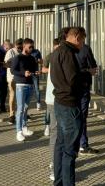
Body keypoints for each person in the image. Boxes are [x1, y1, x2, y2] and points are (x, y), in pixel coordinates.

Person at [52, 27, 87, 186]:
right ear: (77, 37)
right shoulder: (68, 53)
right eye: (83, 40)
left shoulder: (58, 50)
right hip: (69, 105)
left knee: (60, 146)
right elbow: (72, 80)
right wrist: (85, 76)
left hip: (60, 102)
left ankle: (59, 182)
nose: (83, 44)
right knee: (69, 151)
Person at [11, 38, 40, 142]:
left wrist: (36, 72)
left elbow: (34, 69)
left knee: (26, 107)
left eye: (32, 46)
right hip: (20, 85)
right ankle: (18, 131)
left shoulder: (32, 58)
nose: (32, 48)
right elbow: (12, 70)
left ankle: (24, 127)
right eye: (30, 47)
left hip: (30, 85)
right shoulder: (18, 58)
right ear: (24, 46)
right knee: (20, 108)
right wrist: (23, 73)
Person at [74, 42, 99, 156]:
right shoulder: (85, 48)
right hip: (83, 86)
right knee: (82, 116)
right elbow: (93, 67)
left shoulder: (64, 50)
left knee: (74, 116)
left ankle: (74, 143)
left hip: (70, 88)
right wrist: (89, 70)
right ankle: (83, 145)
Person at [43, 38, 60, 181]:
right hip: (56, 101)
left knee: (56, 133)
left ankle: (55, 164)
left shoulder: (55, 57)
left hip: (53, 100)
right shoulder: (56, 57)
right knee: (56, 134)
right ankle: (55, 168)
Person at [4, 38, 23, 124]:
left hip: (20, 78)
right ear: (16, 45)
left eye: (21, 46)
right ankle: (11, 115)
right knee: (12, 96)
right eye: (19, 46)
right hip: (12, 78)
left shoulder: (21, 52)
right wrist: (15, 64)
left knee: (20, 96)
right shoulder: (10, 52)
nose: (20, 48)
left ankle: (21, 113)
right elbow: (6, 63)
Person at [30, 46, 43, 111]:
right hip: (28, 73)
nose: (31, 48)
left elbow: (41, 62)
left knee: (36, 89)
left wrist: (40, 70)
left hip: (35, 73)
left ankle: (38, 104)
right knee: (29, 89)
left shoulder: (37, 52)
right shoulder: (26, 51)